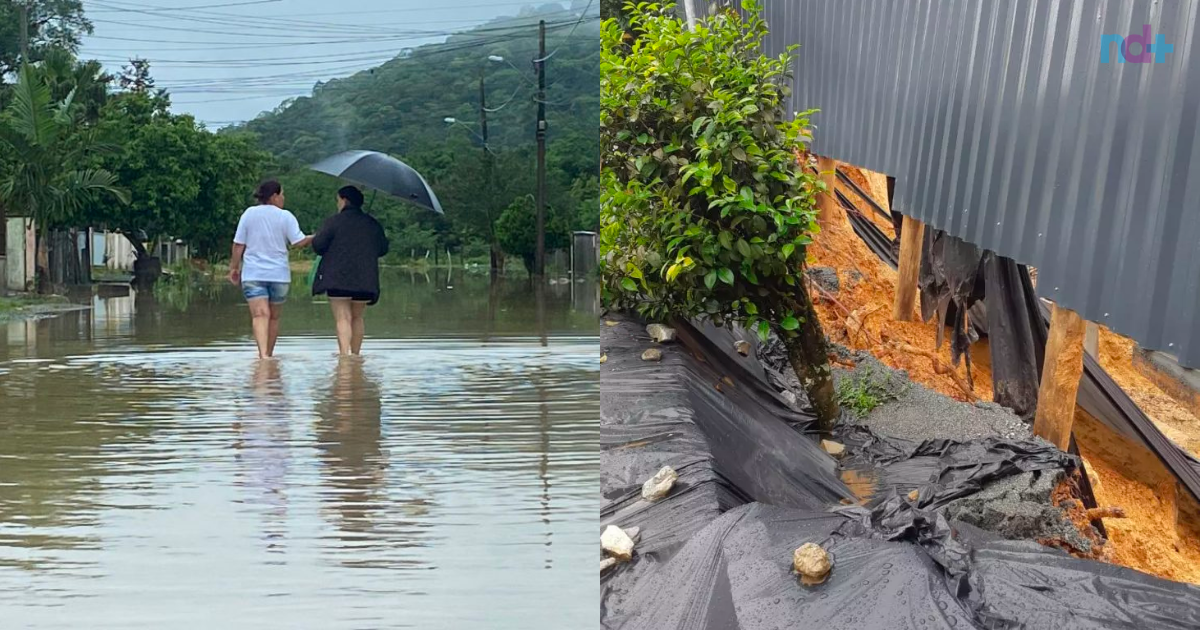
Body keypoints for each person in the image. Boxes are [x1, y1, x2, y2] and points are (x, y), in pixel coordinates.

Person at [228, 180, 312, 359]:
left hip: (253, 273)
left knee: (259, 315)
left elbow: (238, 245)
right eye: (282, 194)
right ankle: (269, 354)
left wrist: (234, 268)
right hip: (279, 275)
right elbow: (298, 243)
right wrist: (318, 236)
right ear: (274, 196)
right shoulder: (286, 216)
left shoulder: (249, 214)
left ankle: (262, 355)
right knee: (273, 317)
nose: (283, 198)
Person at [311, 185, 389, 355]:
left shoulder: (333, 221)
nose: (337, 204)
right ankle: (355, 354)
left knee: (343, 317)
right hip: (365, 279)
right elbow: (383, 248)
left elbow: (318, 246)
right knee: (357, 317)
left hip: (337, 277)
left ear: (344, 200)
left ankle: (344, 355)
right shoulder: (372, 223)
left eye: (338, 200)